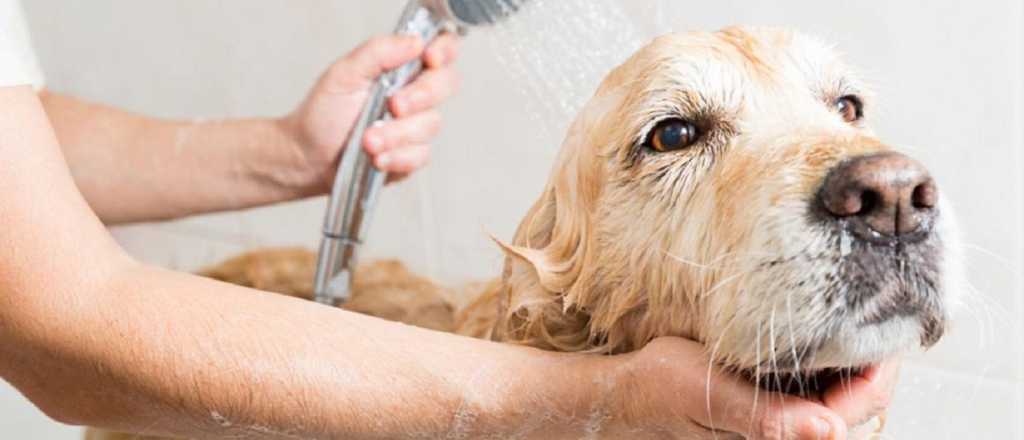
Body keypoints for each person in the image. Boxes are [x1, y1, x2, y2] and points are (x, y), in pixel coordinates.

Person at [0, 1, 898, 438]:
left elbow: (14, 124)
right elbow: (60, 325)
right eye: (676, 134)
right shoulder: (575, 360)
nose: (880, 184)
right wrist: (599, 404)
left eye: (846, 106)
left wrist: (286, 151)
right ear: (569, 294)